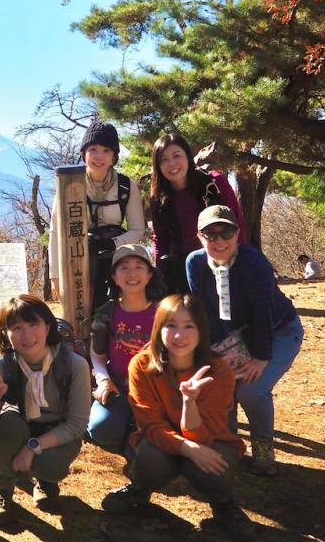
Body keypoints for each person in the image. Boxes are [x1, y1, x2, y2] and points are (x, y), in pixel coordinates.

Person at [101, 294, 256, 542]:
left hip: (209, 440)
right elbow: (149, 424)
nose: (179, 335)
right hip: (163, 443)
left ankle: (224, 503)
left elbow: (206, 435)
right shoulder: (141, 365)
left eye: (188, 326)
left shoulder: (218, 370)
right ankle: (140, 490)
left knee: (215, 465)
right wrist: (187, 448)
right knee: (150, 458)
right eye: (170, 326)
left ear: (201, 330)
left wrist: (189, 402)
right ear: (158, 329)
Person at [187, 205, 303, 475]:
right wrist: (215, 356)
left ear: (237, 233)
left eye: (226, 232)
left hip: (278, 331)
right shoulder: (194, 262)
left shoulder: (253, 262)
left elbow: (263, 311)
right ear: (199, 237)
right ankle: (228, 444)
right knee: (221, 385)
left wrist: (261, 357)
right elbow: (203, 312)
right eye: (210, 234)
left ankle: (263, 446)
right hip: (232, 336)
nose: (219, 241)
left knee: (251, 389)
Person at [0, 294, 91, 526]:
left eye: (33, 324)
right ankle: (3, 489)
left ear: (48, 326)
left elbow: (77, 424)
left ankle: (46, 482)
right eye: (16, 327)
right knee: (8, 423)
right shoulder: (2, 366)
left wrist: (32, 448)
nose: (26, 335)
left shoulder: (74, 365)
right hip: (21, 425)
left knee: (49, 466)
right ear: (6, 334)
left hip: (56, 432)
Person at [49, 120, 146, 310]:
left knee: (116, 314)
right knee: (81, 314)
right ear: (84, 152)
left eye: (106, 150)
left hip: (116, 260)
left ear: (114, 156)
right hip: (77, 260)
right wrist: (56, 275)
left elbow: (137, 229)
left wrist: (113, 243)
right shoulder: (69, 184)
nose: (99, 156)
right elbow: (55, 231)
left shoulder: (126, 186)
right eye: (93, 149)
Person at [87, 244, 164, 457]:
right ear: (113, 276)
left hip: (156, 389)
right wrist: (103, 379)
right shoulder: (106, 313)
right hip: (119, 386)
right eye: (124, 267)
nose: (132, 273)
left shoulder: (165, 312)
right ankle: (128, 436)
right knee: (99, 428)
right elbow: (98, 355)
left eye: (139, 266)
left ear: (149, 274)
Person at [149, 133, 247, 294]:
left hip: (221, 261)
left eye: (176, 156)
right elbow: (160, 238)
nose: (171, 163)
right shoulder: (158, 197)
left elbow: (237, 225)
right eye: (163, 159)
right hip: (183, 270)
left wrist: (240, 263)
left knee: (225, 314)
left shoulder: (214, 183)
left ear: (187, 156)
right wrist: (161, 275)